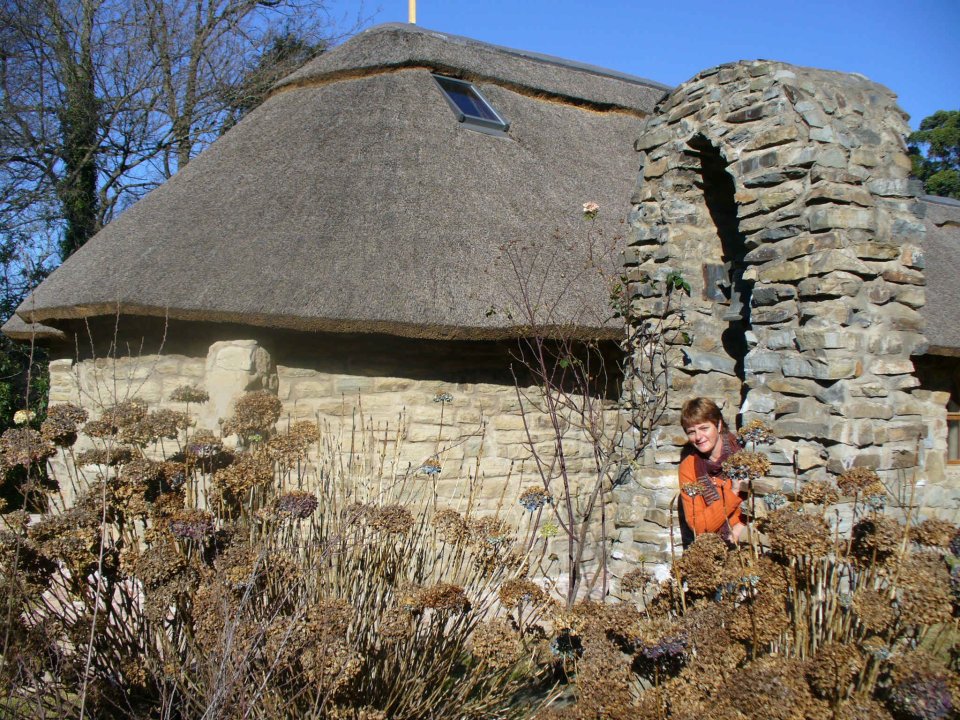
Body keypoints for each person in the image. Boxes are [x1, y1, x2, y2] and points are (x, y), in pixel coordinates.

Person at [678, 397, 746, 544]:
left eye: (704, 428)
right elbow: (699, 526)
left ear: (719, 425)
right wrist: (733, 492)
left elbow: (758, 504)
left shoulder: (742, 456)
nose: (698, 437)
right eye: (691, 432)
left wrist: (743, 525)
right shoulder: (688, 467)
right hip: (711, 547)